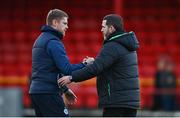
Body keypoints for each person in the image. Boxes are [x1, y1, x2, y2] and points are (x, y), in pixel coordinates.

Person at [58, 14, 140, 117]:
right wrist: (96, 61)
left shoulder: (112, 45)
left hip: (116, 103)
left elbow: (96, 68)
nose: (101, 30)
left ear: (111, 28)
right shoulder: (127, 45)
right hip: (130, 102)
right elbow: (112, 65)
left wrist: (72, 77)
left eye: (103, 27)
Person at [29, 9, 94, 117]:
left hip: (36, 92)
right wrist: (86, 64)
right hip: (48, 93)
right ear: (55, 23)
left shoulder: (39, 40)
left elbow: (49, 70)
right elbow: (67, 69)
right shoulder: (53, 42)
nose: (67, 27)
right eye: (64, 23)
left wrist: (65, 89)